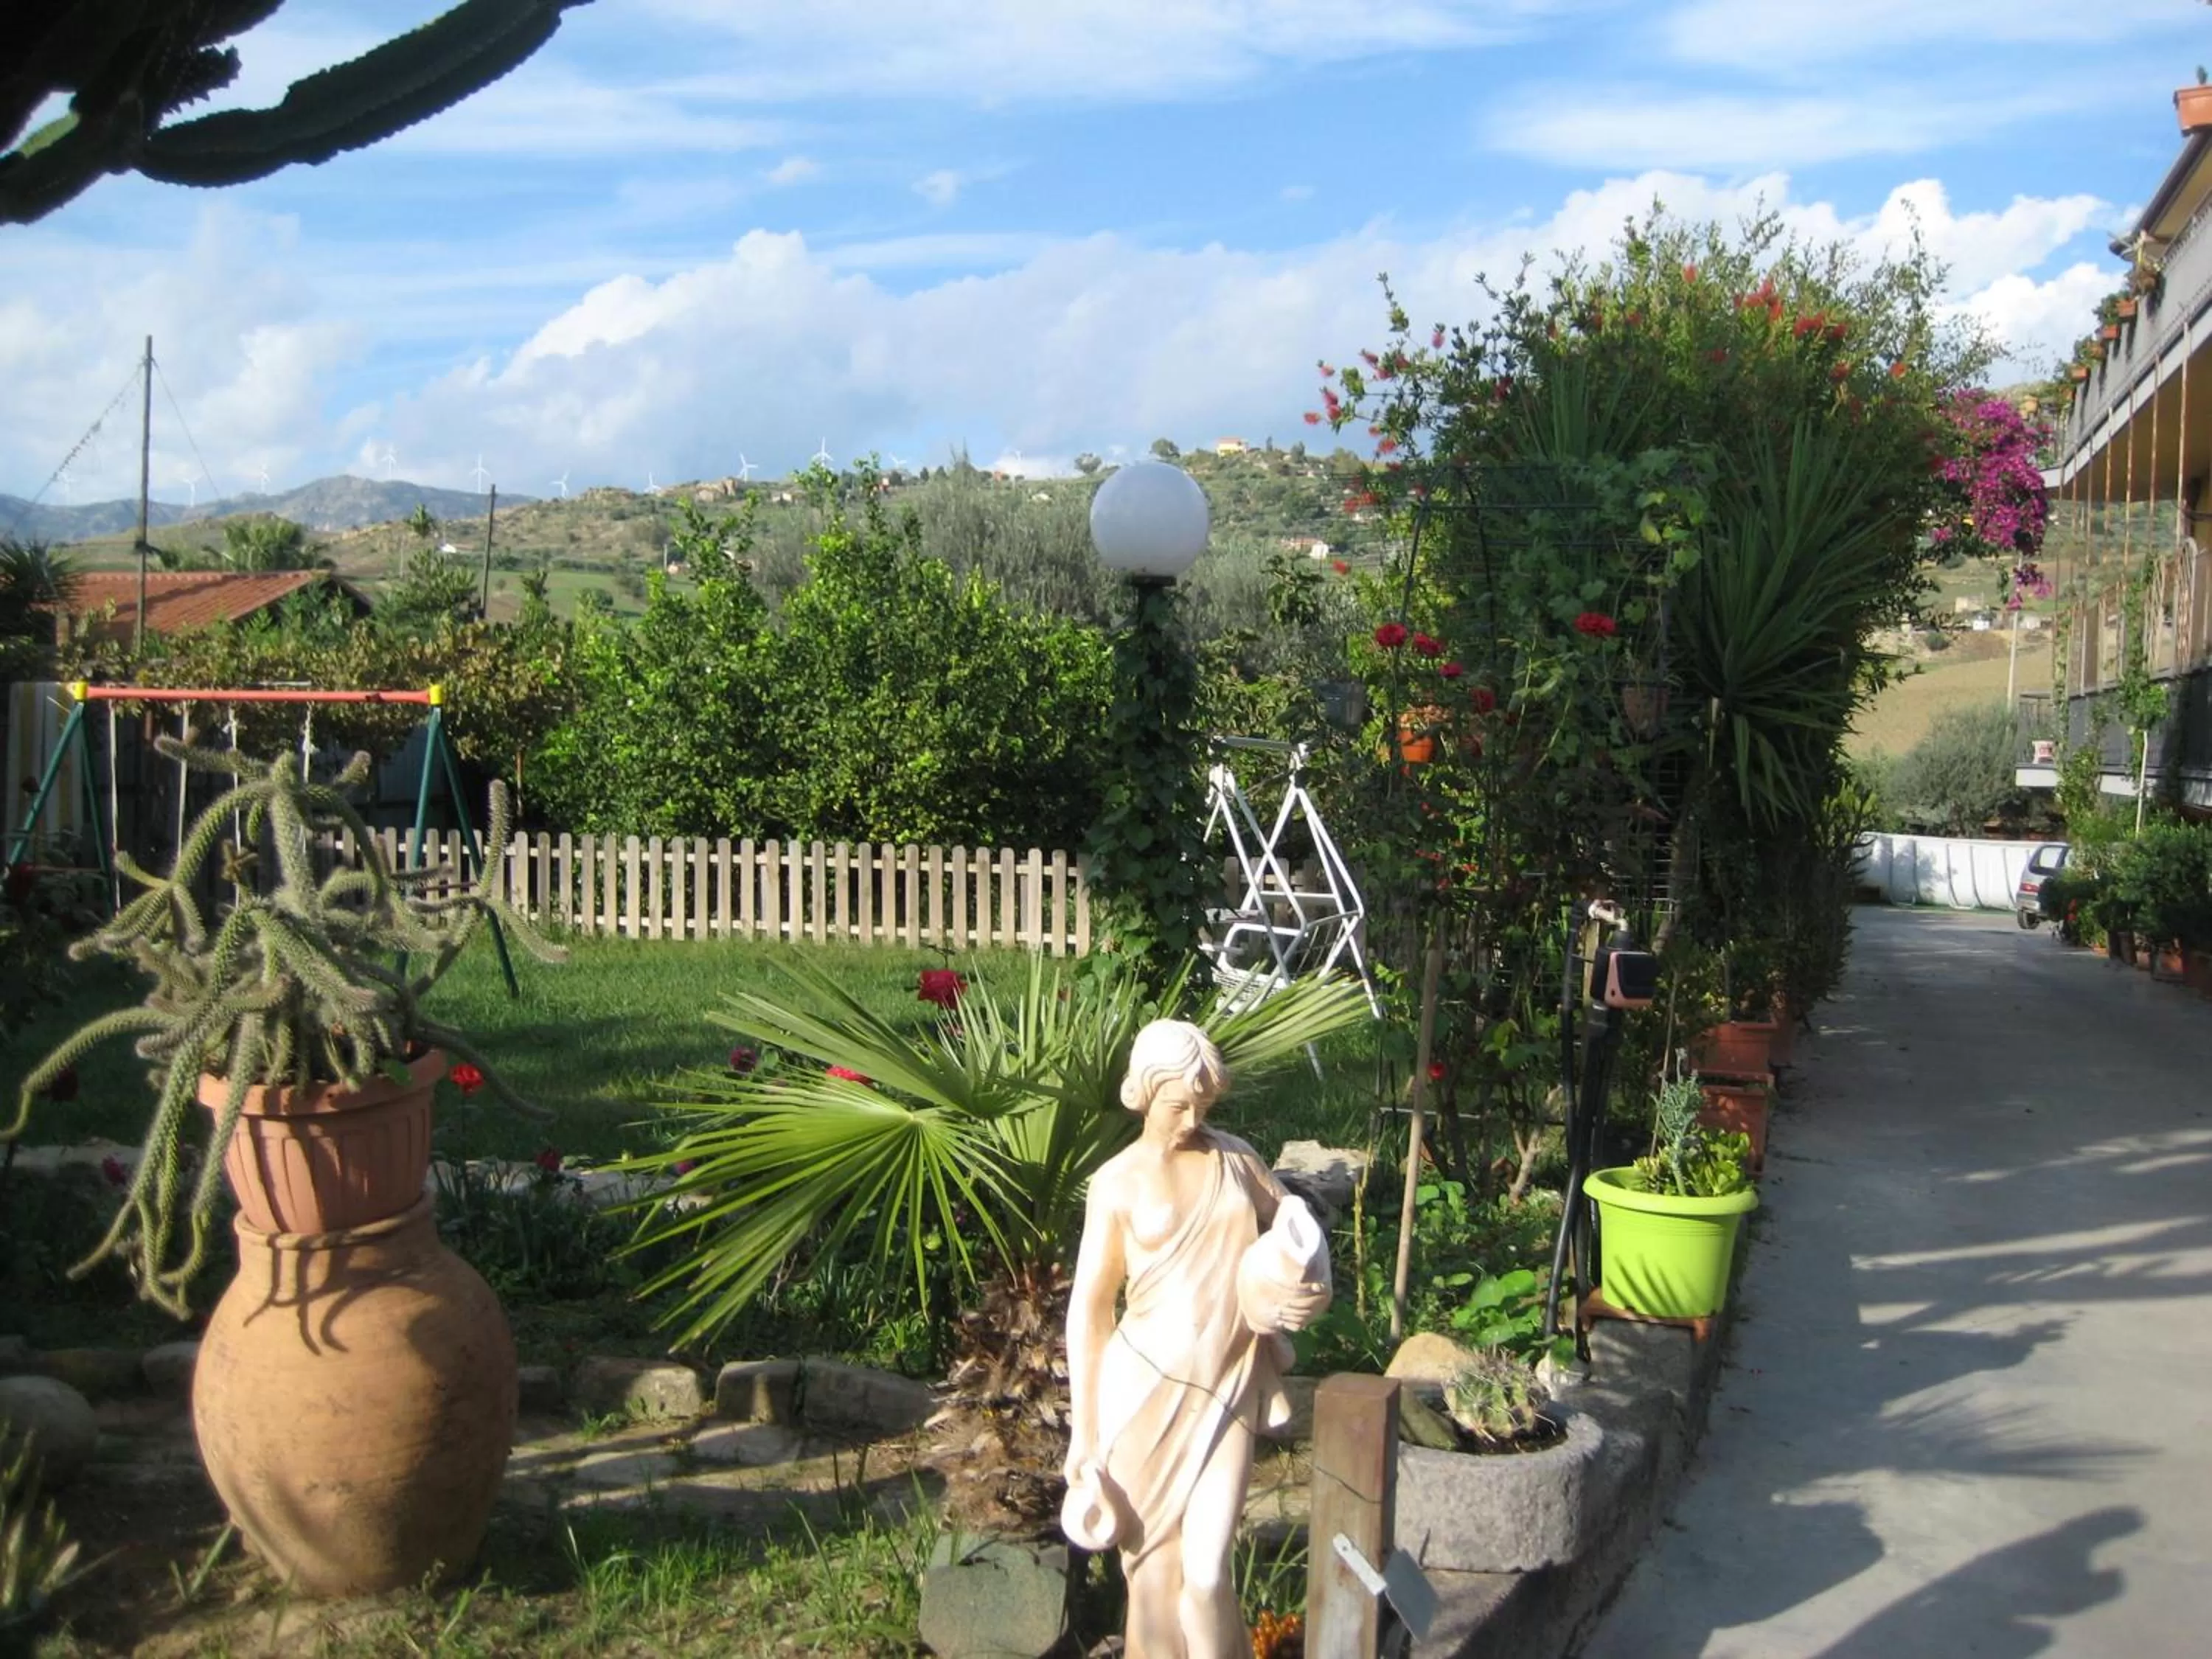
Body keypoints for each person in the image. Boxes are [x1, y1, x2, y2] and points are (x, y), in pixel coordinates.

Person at [1062, 1020, 1329, 1659]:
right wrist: (1084, 1429)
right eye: (1179, 1104)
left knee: (1208, 1575)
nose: (1190, 1119)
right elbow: (1090, 1311)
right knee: (1155, 1579)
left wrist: (1307, 1280)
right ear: (1145, 1092)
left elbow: (1295, 1224)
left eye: (1202, 1105)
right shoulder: (1116, 1183)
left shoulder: (1236, 1159)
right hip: (1142, 1392)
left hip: (1227, 1386)